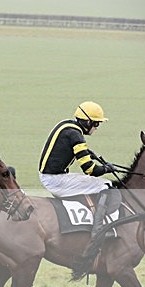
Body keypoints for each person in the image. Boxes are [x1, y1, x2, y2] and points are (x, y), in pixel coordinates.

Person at [37, 101, 115, 261]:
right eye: (96, 124)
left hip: (51, 175)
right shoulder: (76, 136)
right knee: (106, 184)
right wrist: (107, 168)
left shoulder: (67, 126)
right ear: (88, 122)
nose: (97, 128)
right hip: (55, 180)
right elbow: (90, 170)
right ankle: (98, 229)